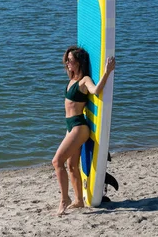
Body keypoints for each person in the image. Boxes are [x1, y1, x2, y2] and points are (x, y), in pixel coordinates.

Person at [52, 45, 115, 216]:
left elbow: (96, 91)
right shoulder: (72, 79)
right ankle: (79, 200)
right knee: (71, 166)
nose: (67, 64)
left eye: (71, 61)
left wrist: (107, 72)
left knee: (57, 162)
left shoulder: (84, 80)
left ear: (79, 62)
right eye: (67, 60)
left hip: (80, 127)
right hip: (70, 126)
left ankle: (64, 199)